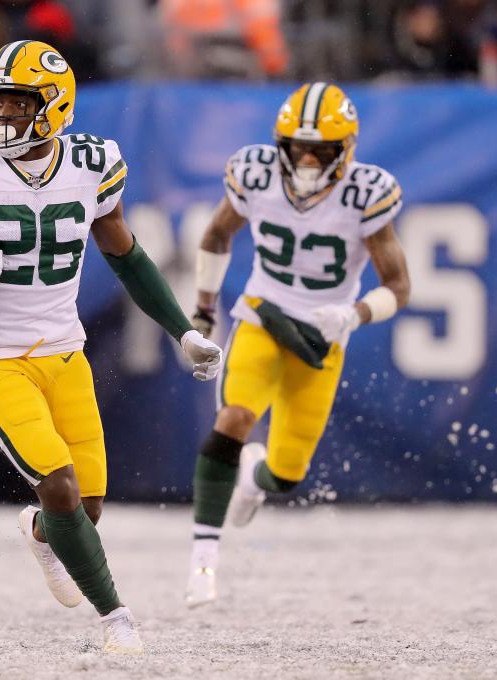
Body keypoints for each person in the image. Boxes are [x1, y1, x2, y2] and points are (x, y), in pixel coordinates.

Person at [0, 40, 222, 653]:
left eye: (18, 106)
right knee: (59, 484)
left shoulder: (93, 164)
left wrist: (182, 329)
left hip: (65, 351)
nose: (2, 119)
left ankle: (42, 536)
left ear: (54, 105)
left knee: (86, 508)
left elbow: (125, 255)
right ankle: (115, 616)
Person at [184, 82, 410, 607]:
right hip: (264, 314)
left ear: (346, 150)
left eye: (322, 150)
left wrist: (353, 313)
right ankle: (203, 559)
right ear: (278, 143)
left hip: (323, 335)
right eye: (297, 147)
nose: (307, 159)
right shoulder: (256, 172)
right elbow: (217, 235)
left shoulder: (365, 193)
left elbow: (399, 287)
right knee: (234, 417)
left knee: (287, 474)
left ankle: (256, 478)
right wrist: (204, 309)